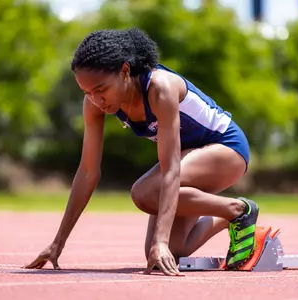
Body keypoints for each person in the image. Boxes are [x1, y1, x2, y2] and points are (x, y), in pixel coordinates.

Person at [24, 28, 259, 276]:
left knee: (145, 193)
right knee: (166, 253)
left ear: (125, 71)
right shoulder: (95, 104)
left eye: (101, 90)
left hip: (227, 149)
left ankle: (238, 212)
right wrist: (57, 242)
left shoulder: (160, 89)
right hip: (188, 158)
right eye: (87, 93)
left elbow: (170, 169)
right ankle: (232, 213)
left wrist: (162, 240)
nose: (96, 100)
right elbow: (88, 171)